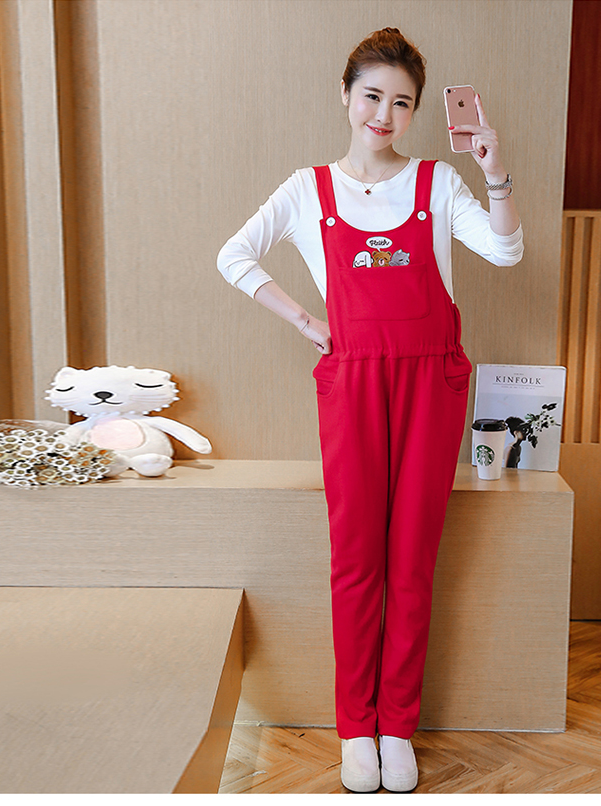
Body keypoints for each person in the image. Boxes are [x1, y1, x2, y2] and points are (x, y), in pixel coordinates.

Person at [217, 27, 523, 793]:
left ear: (416, 111)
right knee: (357, 561)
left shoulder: (437, 184)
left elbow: (505, 251)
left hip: (430, 384)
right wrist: (306, 321)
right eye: (372, 96)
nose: (384, 114)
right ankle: (356, 727)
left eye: (402, 102)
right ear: (346, 96)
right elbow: (233, 256)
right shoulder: (307, 190)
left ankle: (397, 727)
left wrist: (495, 173)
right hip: (352, 383)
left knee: (413, 560)